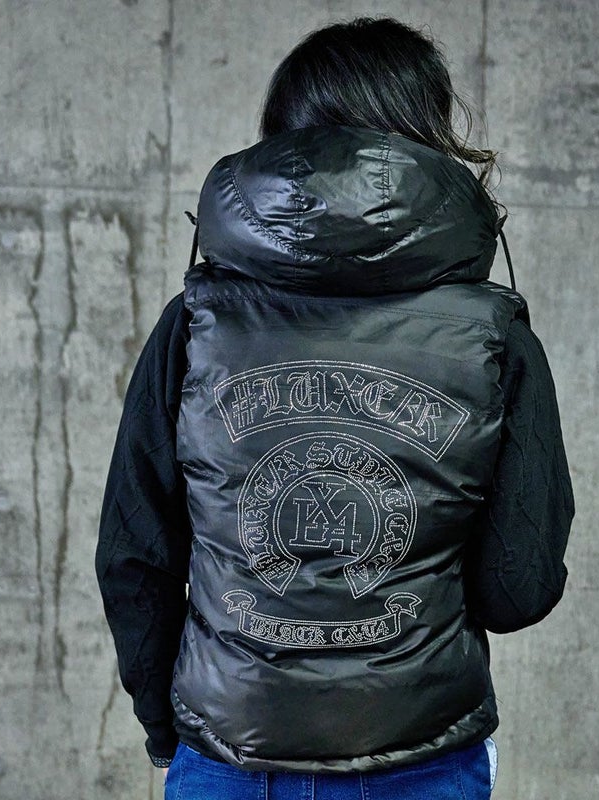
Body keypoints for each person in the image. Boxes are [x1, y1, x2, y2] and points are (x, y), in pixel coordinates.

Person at [96, 16, 574, 800]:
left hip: (230, 758)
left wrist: (166, 727)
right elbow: (517, 589)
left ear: (280, 141)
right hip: (421, 758)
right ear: (430, 134)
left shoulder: (197, 325)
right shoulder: (494, 337)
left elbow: (134, 556)